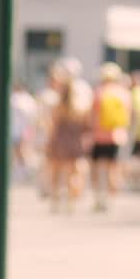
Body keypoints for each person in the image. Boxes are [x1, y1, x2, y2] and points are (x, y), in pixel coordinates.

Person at [45, 72, 91, 212]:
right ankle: (70, 202)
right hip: (74, 143)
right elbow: (86, 126)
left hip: (59, 142)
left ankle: (55, 201)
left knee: (56, 173)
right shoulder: (80, 107)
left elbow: (51, 125)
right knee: (73, 173)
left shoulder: (57, 106)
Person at [90, 62, 131, 212]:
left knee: (97, 168)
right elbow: (128, 116)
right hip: (118, 136)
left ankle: (99, 198)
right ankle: (112, 200)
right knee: (114, 169)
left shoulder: (99, 92)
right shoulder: (124, 93)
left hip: (99, 136)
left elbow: (93, 116)